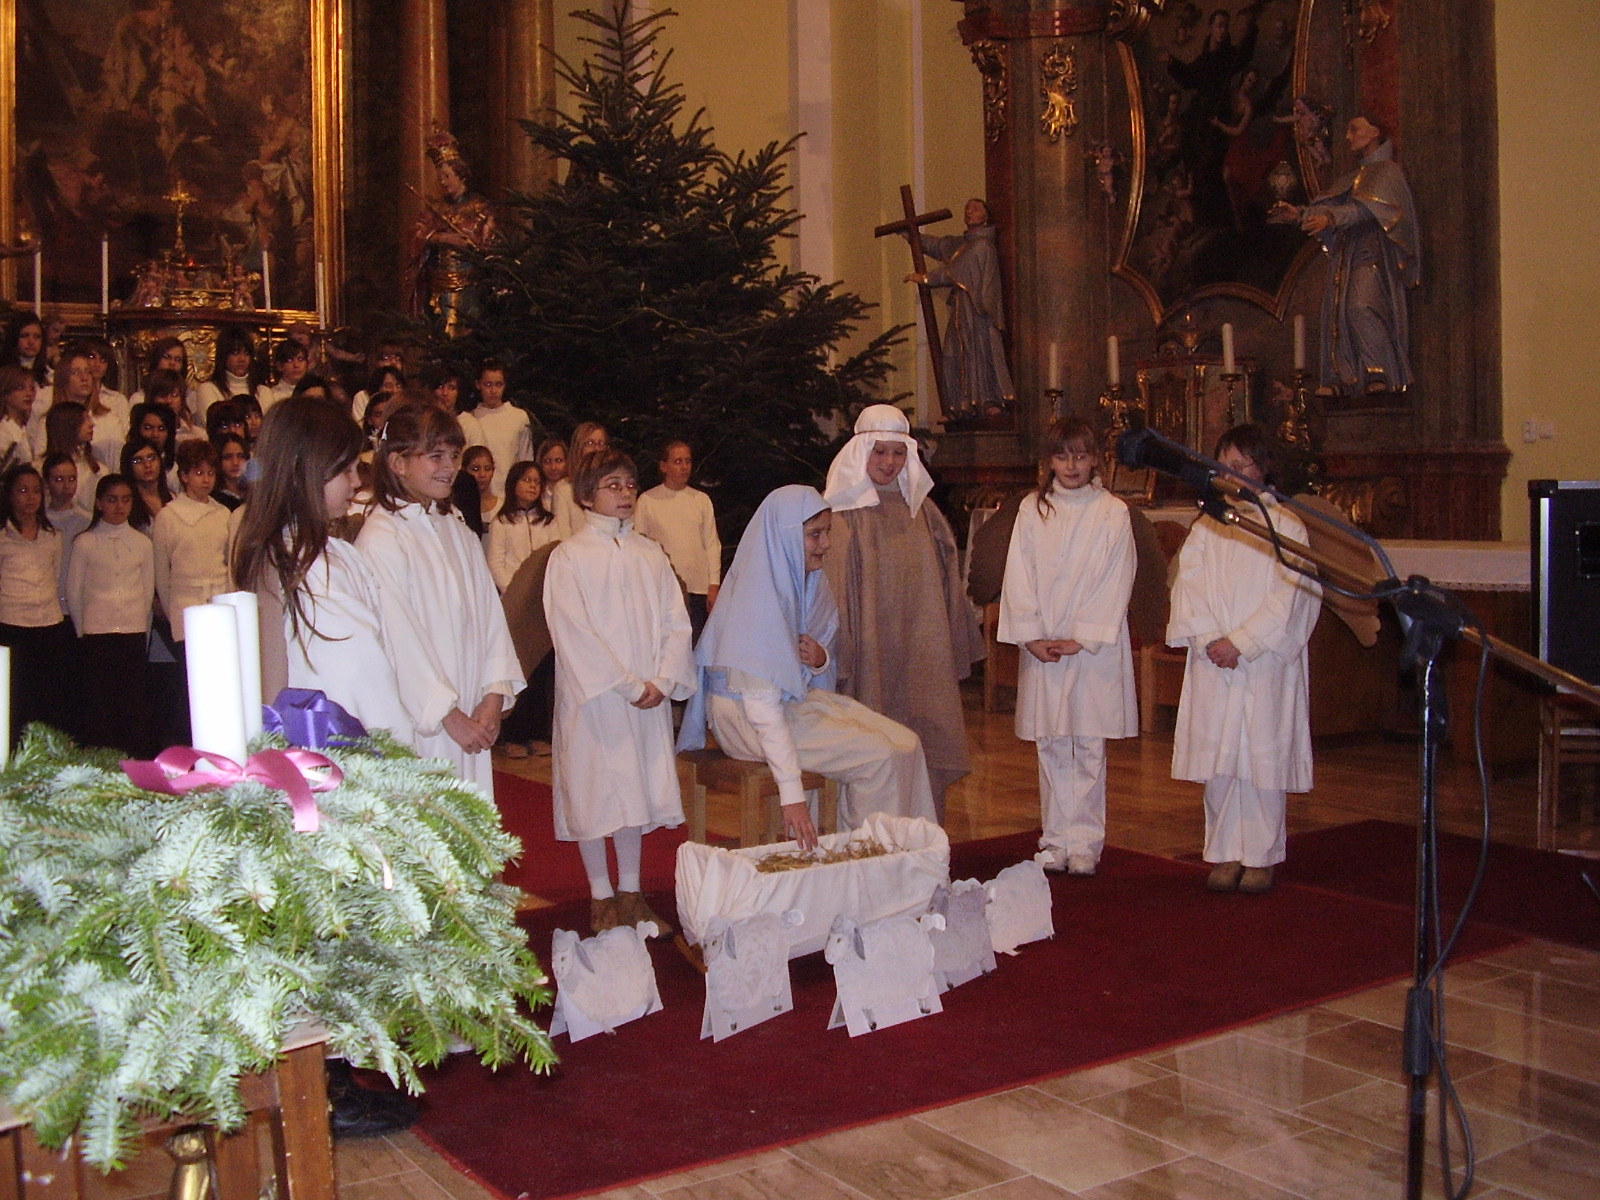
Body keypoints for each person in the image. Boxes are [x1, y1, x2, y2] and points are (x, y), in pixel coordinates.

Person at [678, 485, 937, 845]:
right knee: (878, 756)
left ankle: (909, 853)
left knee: (906, 743)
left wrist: (820, 659)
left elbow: (814, 660)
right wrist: (792, 794)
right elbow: (762, 710)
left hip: (789, 703)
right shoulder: (756, 598)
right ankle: (863, 857)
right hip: (746, 718)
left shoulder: (803, 581)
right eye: (815, 534)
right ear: (785, 537)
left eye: (826, 532)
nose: (826, 544)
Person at [545, 448, 695, 934]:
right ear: (587, 496)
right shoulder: (570, 557)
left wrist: (664, 680)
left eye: (630, 484)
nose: (625, 493)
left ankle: (631, 894)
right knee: (594, 793)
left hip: (646, 696)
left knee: (635, 790)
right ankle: (600, 897)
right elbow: (573, 630)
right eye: (612, 485)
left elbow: (676, 622)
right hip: (597, 699)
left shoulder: (650, 554)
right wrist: (627, 685)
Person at [1167, 424, 1320, 894]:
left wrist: (1242, 642)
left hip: (1262, 662)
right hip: (1214, 658)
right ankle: (1224, 851)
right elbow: (1188, 585)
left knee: (1260, 758)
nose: (1229, 474)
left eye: (1240, 465)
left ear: (1264, 468)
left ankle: (1260, 855)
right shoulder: (1209, 525)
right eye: (1223, 465)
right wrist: (1211, 638)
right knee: (1220, 759)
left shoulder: (1286, 526)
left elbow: (1290, 595)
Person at [822, 404, 983, 815]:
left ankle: (923, 829)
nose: (889, 462)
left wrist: (951, 638)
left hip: (922, 649)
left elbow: (948, 579)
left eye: (898, 453)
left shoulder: (923, 511)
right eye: (880, 452)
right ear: (861, 452)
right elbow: (832, 590)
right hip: (870, 648)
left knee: (926, 729)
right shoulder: (844, 514)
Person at [356, 399, 523, 790]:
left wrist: (494, 693)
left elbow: (489, 617)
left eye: (454, 455)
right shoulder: (382, 538)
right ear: (398, 463)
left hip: (471, 710)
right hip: (422, 725)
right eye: (435, 456)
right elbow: (398, 640)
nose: (450, 467)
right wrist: (447, 714)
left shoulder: (456, 529)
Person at [998, 419, 1137, 876]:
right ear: (1049, 461)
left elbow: (1117, 576)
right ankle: (1055, 838)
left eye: (1080, 456)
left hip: (1091, 648)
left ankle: (1086, 843)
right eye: (1062, 456)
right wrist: (1031, 633)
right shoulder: (1032, 509)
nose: (1072, 466)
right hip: (1045, 646)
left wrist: (1085, 635)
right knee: (1052, 741)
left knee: (1089, 744)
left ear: (1095, 459)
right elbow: (1019, 572)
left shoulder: (1112, 512)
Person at [231, 396, 413, 744]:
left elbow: (376, 658)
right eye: (346, 471)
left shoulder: (344, 554)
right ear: (306, 471)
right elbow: (272, 686)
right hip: (318, 745)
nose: (356, 482)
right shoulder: (277, 561)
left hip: (374, 737)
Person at [1276, 115, 1419, 395]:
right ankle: (1346, 378)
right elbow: (1335, 206)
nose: (1347, 136)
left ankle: (1380, 373)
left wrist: (1331, 218)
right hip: (1347, 253)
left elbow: (1366, 210)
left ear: (1375, 132)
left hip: (1372, 253)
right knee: (1336, 312)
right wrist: (1300, 215)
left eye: (1354, 129)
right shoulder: (1354, 177)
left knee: (1360, 307)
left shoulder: (1387, 173)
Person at [65, 473, 154, 754]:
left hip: (132, 631)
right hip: (97, 633)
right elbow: (74, 591)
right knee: (98, 705)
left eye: (126, 500)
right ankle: (100, 760)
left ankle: (133, 760)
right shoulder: (85, 542)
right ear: (99, 503)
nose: (119, 506)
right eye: (112, 500)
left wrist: (142, 631)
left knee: (132, 704)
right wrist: (83, 631)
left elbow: (147, 592)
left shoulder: (142, 543)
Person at [907, 199, 1015, 418]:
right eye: (967, 207)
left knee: (978, 353)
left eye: (976, 208)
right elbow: (940, 246)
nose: (969, 211)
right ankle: (962, 403)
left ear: (986, 216)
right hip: (961, 309)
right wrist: (910, 234)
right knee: (954, 354)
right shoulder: (963, 244)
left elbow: (956, 270)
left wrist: (926, 278)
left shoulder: (982, 245)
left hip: (978, 313)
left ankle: (987, 400)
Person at [0, 463, 72, 747]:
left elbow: (56, 578)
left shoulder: (53, 536)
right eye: (22, 491)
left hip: (48, 625)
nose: (30, 497)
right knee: (15, 699)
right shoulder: (3, 536)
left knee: (48, 699)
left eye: (35, 491)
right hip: (11, 624)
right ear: (10, 495)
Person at [634, 439, 721, 643]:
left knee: (696, 644)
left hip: (697, 589)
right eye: (678, 461)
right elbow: (639, 545)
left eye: (687, 461)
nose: (684, 467)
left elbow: (711, 543)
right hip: (664, 588)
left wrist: (713, 585)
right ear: (664, 466)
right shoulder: (647, 501)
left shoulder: (701, 500)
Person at [469, 359, 532, 494]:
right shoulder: (470, 419)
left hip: (510, 493)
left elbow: (525, 461)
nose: (493, 390)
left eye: (498, 384)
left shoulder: (518, 417)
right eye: (488, 384)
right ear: (478, 384)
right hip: (478, 493)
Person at [550, 422, 608, 538]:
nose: (596, 449)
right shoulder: (564, 490)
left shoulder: (611, 488)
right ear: (578, 448)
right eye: (590, 443)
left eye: (601, 443)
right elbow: (562, 536)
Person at [194, 329, 260, 421]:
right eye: (235, 353)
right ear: (224, 356)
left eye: (246, 353)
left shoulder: (263, 392)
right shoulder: (209, 390)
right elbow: (214, 424)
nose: (242, 359)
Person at [120, 438, 172, 532]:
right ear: (128, 467)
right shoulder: (125, 505)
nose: (147, 465)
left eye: (152, 458)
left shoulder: (173, 497)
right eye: (138, 461)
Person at [257, 340, 309, 414]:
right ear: (279, 366)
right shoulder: (271, 396)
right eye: (290, 360)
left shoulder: (313, 393)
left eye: (300, 359)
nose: (296, 365)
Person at [0, 365, 36, 472]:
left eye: (31, 388)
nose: (29, 394)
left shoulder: (26, 428)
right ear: (5, 393)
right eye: (20, 388)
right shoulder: (3, 432)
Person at [213, 433, 250, 511]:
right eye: (228, 457)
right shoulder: (214, 498)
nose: (235, 463)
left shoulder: (254, 493)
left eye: (240, 456)